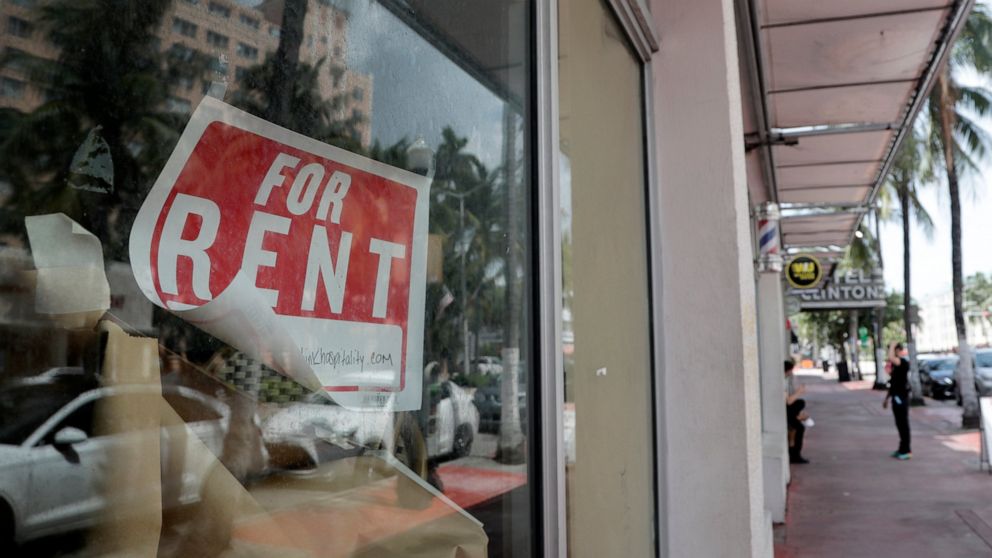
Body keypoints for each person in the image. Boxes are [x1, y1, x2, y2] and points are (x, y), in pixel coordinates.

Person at [883, 342, 912, 459]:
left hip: (901, 398)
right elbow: (893, 384)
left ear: (898, 350)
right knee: (899, 424)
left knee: (903, 424)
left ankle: (906, 451)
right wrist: (886, 399)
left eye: (892, 350)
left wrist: (893, 344)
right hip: (896, 397)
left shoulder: (903, 362)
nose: (890, 352)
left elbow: (891, 357)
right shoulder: (895, 365)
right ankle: (902, 449)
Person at [785, 360, 810, 464]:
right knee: (799, 428)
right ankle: (795, 456)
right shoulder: (781, 382)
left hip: (788, 413)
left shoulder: (786, 380)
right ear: (787, 371)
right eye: (791, 371)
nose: (792, 373)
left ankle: (795, 455)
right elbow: (789, 401)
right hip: (785, 413)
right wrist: (799, 392)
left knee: (801, 402)